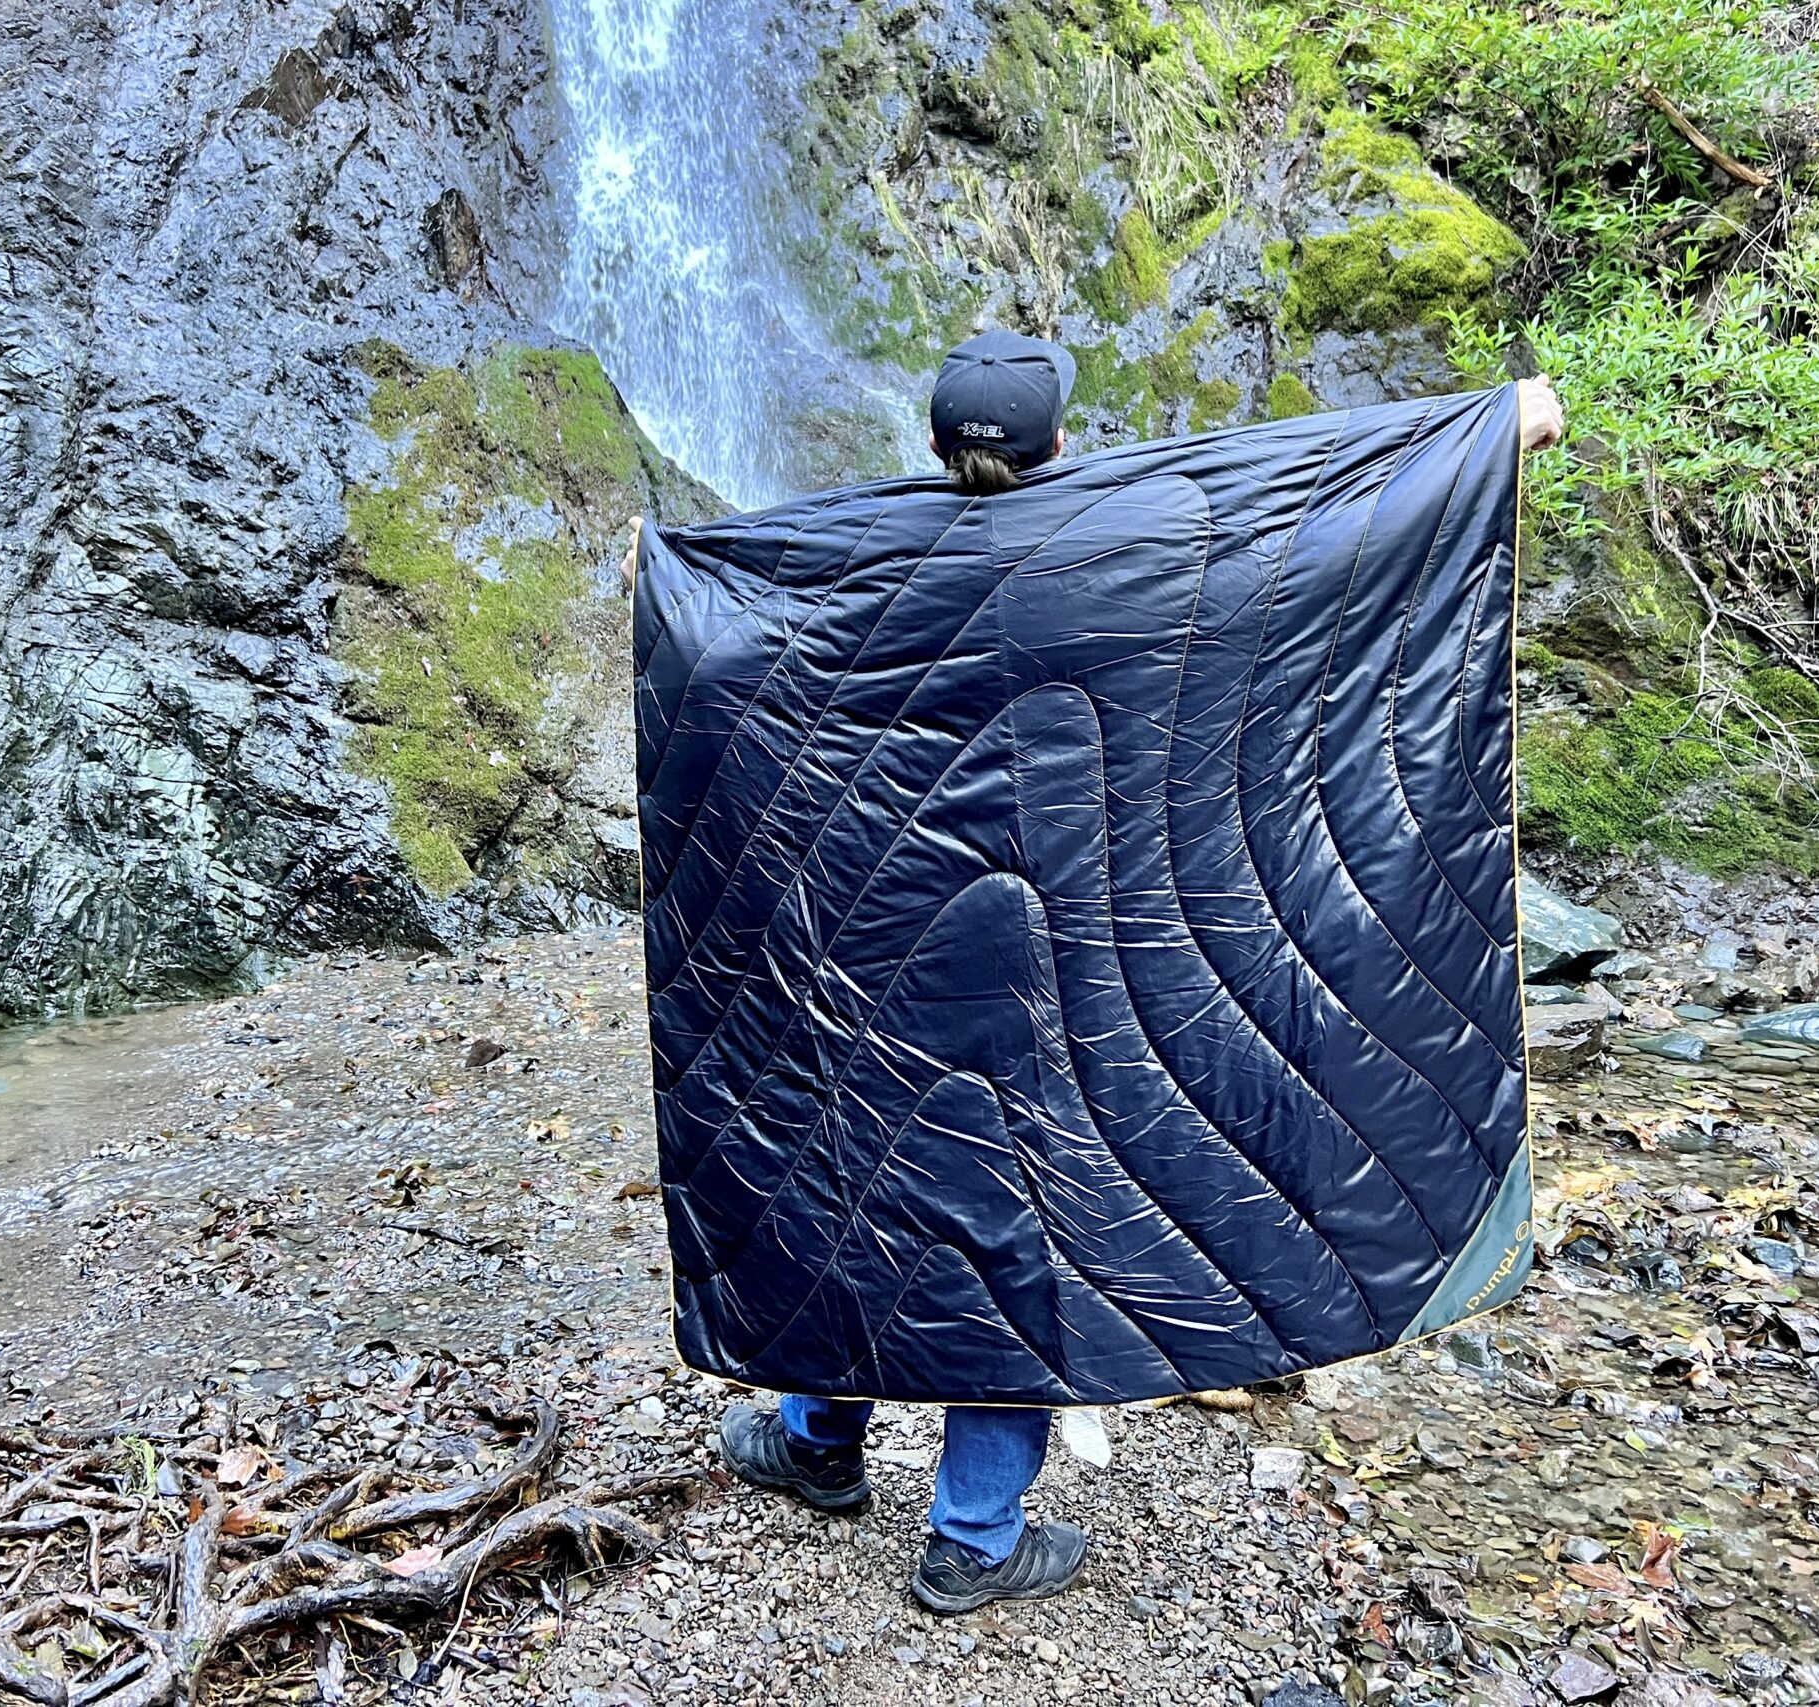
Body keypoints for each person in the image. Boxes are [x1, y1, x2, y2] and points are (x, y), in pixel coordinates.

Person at [629, 331, 1565, 1616]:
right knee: (1013, 1225)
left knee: (853, 1174)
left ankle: (816, 1444)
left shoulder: (851, 561)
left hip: (873, 961)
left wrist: (662, 571)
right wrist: (1493, 430)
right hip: (1057, 972)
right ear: (1061, 437)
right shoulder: (1137, 546)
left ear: (939, 446)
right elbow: (1315, 523)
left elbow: (725, 629)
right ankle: (969, 1533)